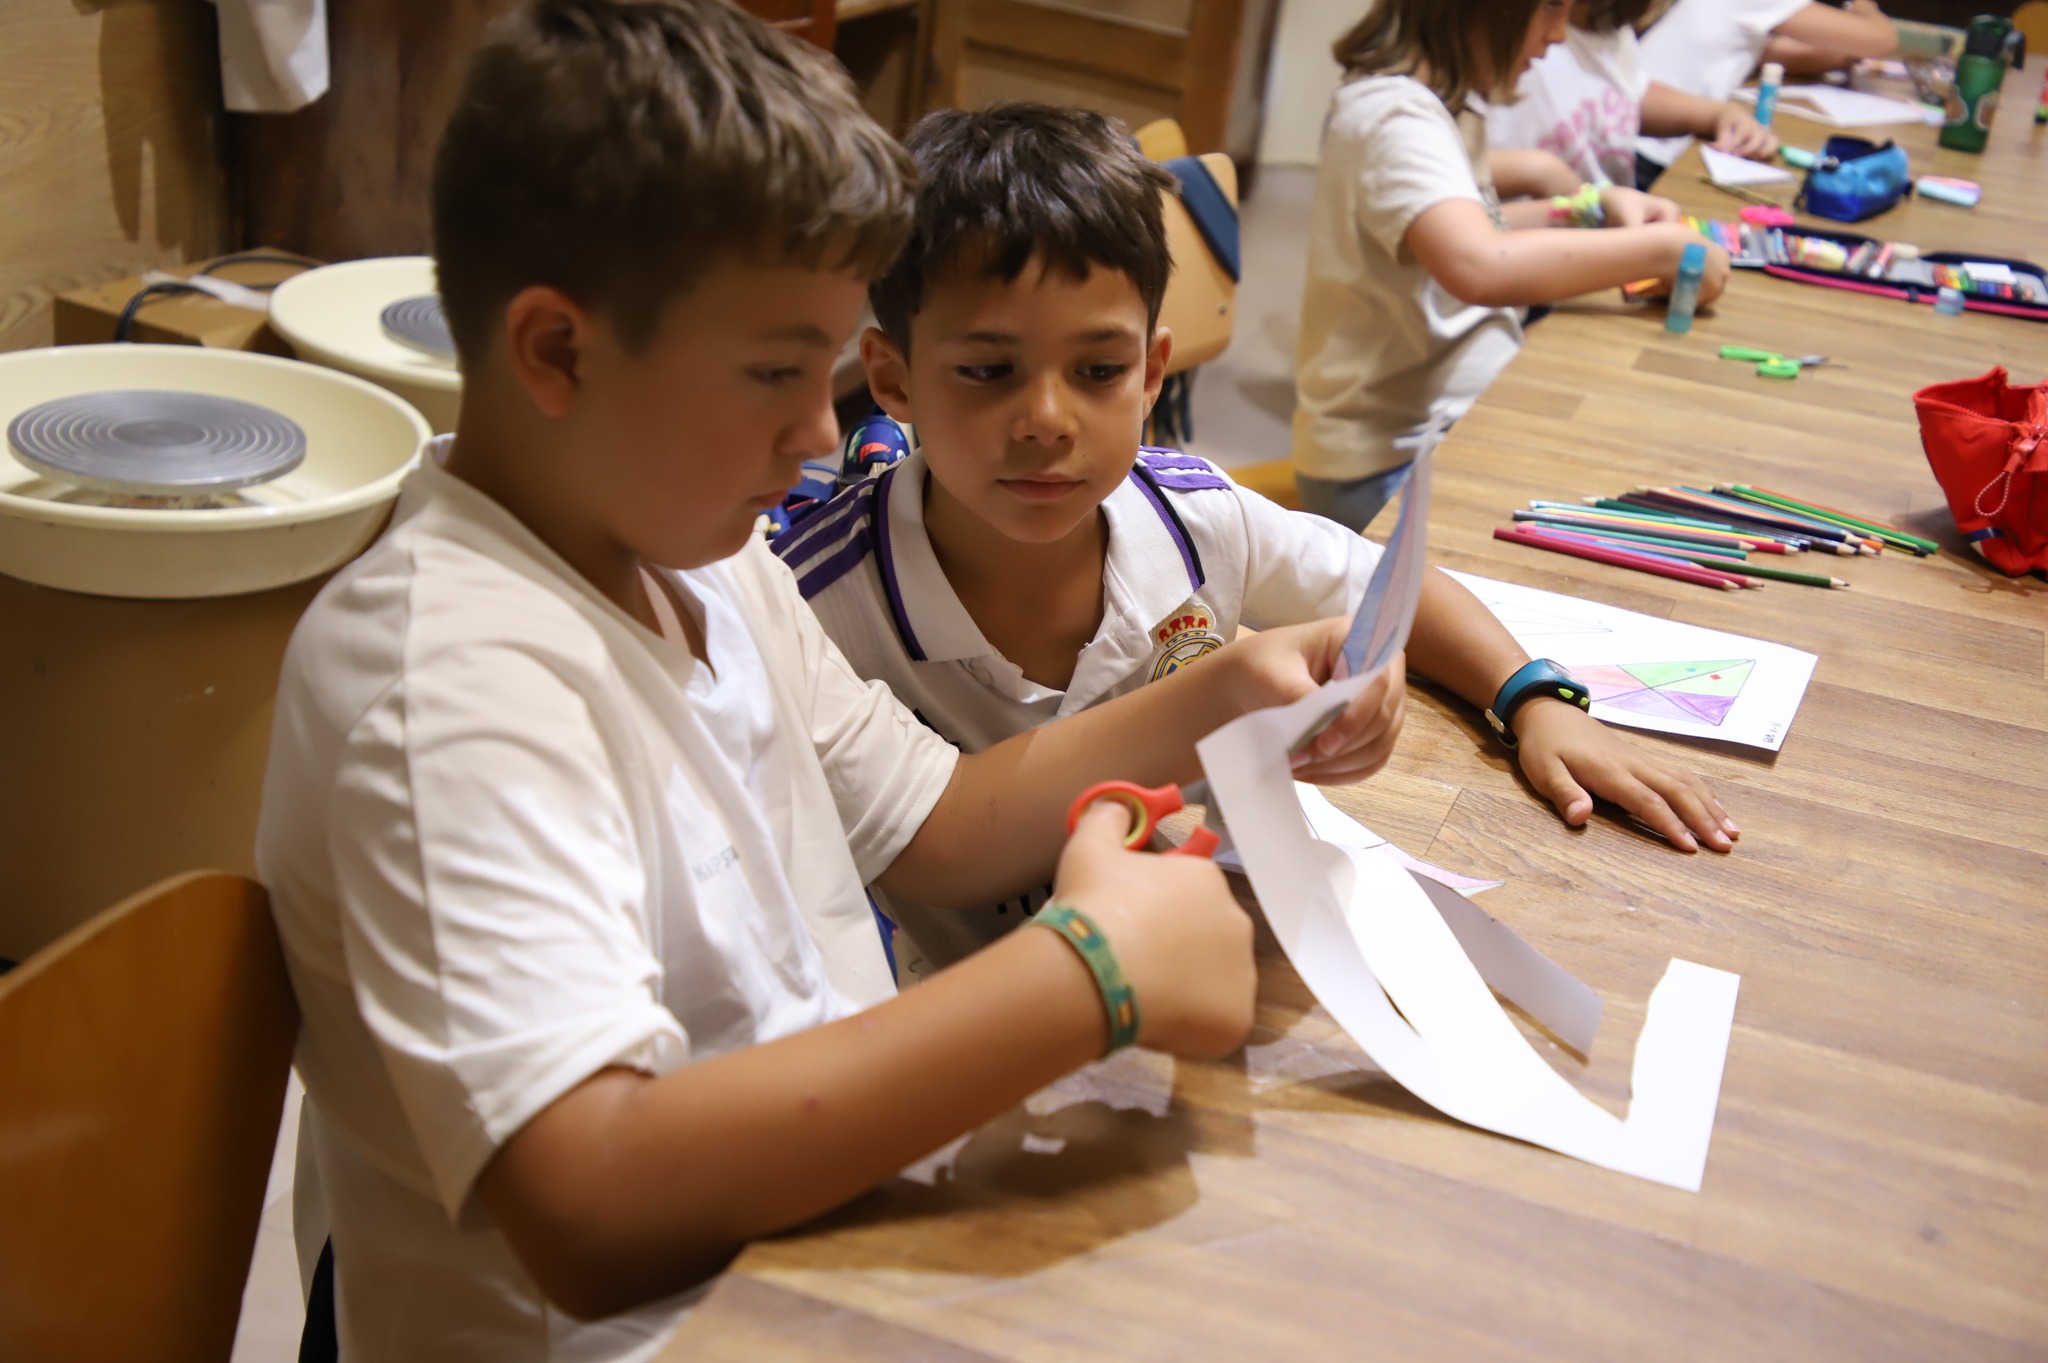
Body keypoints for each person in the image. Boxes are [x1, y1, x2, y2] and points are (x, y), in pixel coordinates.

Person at [253, 4, 1405, 1357]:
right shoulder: (444, 683)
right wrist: (1090, 966)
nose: (821, 436)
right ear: (557, 349)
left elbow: (942, 819)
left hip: (833, 1236)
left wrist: (1220, 690)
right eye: (775, 375)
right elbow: (589, 1202)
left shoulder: (695, 551)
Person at [779, 102, 1738, 977]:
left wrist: (1536, 700)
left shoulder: (1196, 516)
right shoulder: (812, 606)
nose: (1045, 418)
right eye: (988, 370)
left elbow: (1388, 593)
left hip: (1219, 958)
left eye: (1098, 368)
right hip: (993, 1034)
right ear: (893, 382)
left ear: (1152, 373)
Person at [1293, 0, 1730, 531]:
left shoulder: (1433, 102)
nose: (1557, 36)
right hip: (1387, 465)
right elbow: (1478, 264)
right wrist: (1663, 249)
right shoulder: (1395, 117)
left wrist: (1592, 208)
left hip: (1437, 430)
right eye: (1550, 10)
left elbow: (1478, 222)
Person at [1484, 0, 1780, 194]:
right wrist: (1538, 171)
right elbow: (1445, 159)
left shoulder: (1607, 26)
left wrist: (1718, 113)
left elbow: (1624, 95)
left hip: (1598, 234)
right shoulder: (1514, 44)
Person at [1636, 0, 1899, 183]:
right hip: (1651, 151)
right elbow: (1880, 40)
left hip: (1644, 134)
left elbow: (1771, 53)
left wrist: (1842, 55)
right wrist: (1865, 8)